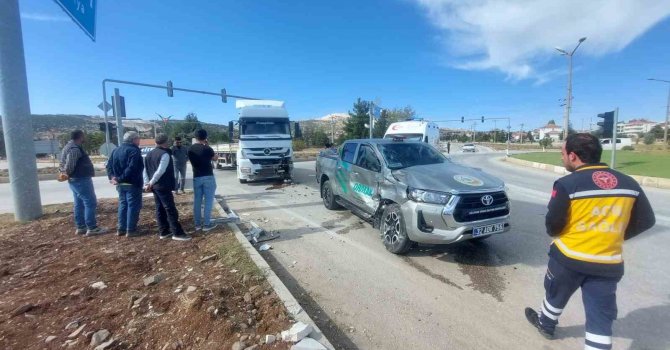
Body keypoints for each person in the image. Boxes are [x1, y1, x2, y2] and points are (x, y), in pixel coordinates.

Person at [524, 133, 655, 350]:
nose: (562, 158)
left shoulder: (567, 184)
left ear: (573, 156)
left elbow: (553, 226)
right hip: (608, 263)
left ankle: (545, 324)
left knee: (556, 292)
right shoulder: (629, 183)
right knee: (600, 320)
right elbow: (646, 220)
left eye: (562, 153)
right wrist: (613, 234)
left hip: (569, 258)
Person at [59, 130, 108, 236]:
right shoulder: (74, 149)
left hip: (75, 180)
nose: (84, 138)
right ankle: (92, 227)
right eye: (83, 136)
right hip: (80, 179)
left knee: (79, 204)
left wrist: (63, 173)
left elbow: (62, 164)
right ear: (80, 137)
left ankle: (81, 226)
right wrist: (66, 173)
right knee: (90, 202)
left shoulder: (67, 147)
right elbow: (69, 166)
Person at [144, 134, 191, 241]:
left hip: (155, 186)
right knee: (170, 209)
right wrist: (150, 183)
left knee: (160, 208)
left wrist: (147, 183)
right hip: (162, 186)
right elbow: (160, 171)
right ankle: (177, 233)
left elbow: (145, 170)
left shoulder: (149, 154)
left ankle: (164, 231)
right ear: (166, 142)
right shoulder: (164, 154)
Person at [106, 131, 144, 237]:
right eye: (138, 138)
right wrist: (119, 178)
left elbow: (108, 166)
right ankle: (130, 229)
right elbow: (132, 168)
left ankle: (121, 228)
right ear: (133, 140)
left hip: (120, 184)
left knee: (123, 205)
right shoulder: (134, 151)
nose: (139, 140)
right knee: (133, 206)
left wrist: (112, 177)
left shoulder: (115, 150)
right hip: (132, 183)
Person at [188, 129, 219, 232]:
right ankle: (206, 224)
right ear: (205, 137)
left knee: (197, 201)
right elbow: (215, 158)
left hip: (196, 177)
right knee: (208, 201)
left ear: (195, 137)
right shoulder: (208, 149)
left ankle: (197, 224)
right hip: (208, 177)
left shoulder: (191, 149)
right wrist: (208, 146)